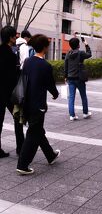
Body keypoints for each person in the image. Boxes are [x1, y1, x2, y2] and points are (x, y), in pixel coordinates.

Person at [16, 34, 60, 175]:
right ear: (45, 47)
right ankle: (23, 165)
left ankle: (50, 155)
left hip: (26, 102)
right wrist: (55, 94)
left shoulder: (28, 61)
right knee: (33, 133)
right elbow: (50, 84)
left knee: (38, 130)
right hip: (38, 105)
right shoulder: (45, 65)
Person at [0, 25, 21, 157]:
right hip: (9, 93)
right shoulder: (11, 55)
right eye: (15, 35)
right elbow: (14, 77)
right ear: (10, 38)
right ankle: (21, 148)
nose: (16, 37)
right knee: (18, 118)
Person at [64, 36, 92, 120]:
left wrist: (65, 76)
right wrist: (86, 44)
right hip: (79, 78)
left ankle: (72, 115)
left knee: (71, 97)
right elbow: (89, 54)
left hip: (70, 78)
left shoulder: (68, 54)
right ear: (78, 45)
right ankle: (85, 113)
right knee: (83, 96)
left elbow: (66, 66)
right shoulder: (81, 53)